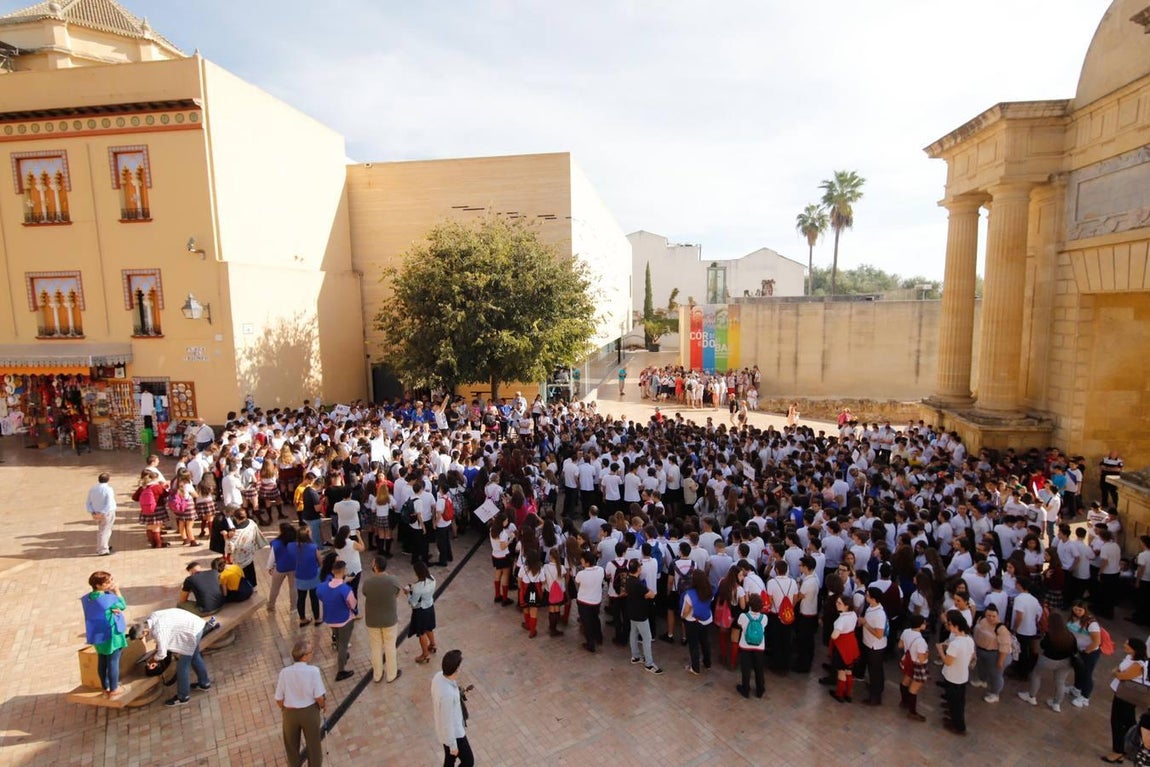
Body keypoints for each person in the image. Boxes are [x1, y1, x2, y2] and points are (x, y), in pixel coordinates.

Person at [129, 608, 212, 706]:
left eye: (141, 638)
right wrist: (157, 650)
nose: (142, 639)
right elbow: (162, 641)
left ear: (145, 631)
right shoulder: (152, 617)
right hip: (195, 624)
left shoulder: (159, 631)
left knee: (182, 667)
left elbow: (162, 654)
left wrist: (153, 660)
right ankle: (204, 683)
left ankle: (183, 697)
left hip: (193, 632)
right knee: (194, 656)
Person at [275, 638, 326, 767]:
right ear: (304, 656)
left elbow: (279, 698)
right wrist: (323, 706)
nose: (312, 653)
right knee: (314, 746)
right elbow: (319, 697)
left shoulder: (284, 673)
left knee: (291, 747)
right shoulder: (313, 671)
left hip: (289, 713)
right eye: (311, 651)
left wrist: (285, 710)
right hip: (309, 712)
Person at [1017, 611, 1077, 712]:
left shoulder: (1050, 634)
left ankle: (1031, 697)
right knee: (1060, 682)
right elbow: (1074, 649)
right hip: (1065, 662)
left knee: (1036, 675)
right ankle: (1056, 704)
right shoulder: (1070, 635)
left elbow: (1043, 645)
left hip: (1048, 660)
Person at [1102, 638, 1149, 763]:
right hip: (1123, 694)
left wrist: (1116, 673)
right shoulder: (1130, 657)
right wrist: (1117, 672)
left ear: (1134, 649)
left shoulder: (1138, 664)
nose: (1124, 645)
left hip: (1126, 697)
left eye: (1127, 644)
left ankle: (1118, 751)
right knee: (1128, 722)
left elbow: (1124, 676)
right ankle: (1126, 749)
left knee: (1117, 722)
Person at [81, 571, 127, 698]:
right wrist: (117, 591)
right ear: (98, 585)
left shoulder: (88, 598)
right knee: (113, 661)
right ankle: (114, 688)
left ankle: (105, 687)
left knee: (102, 660)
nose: (111, 583)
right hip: (111, 634)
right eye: (107, 582)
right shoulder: (107, 599)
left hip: (97, 634)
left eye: (111, 580)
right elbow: (123, 605)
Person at [362, 554, 403, 684]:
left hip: (372, 620)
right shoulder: (393, 580)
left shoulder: (368, 583)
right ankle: (391, 675)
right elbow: (397, 593)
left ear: (375, 567)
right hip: (389, 620)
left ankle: (377, 675)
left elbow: (365, 593)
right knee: (390, 647)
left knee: (375, 648)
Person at [317, 559, 357, 681]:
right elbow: (353, 604)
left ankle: (342, 655)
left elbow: (321, 596)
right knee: (343, 644)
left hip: (330, 618)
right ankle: (341, 670)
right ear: (343, 571)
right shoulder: (345, 589)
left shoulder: (322, 587)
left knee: (338, 639)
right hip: (344, 620)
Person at [431, 649, 474, 767]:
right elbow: (447, 722)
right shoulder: (448, 695)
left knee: (450, 759)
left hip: (445, 733)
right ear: (455, 670)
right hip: (454, 734)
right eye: (459, 667)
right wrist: (453, 745)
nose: (460, 669)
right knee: (468, 761)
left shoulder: (438, 676)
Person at [937, 609, 974, 735]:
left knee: (954, 703)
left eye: (950, 624)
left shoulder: (956, 644)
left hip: (953, 677)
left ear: (956, 626)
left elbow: (948, 662)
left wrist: (940, 650)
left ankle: (958, 726)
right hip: (962, 676)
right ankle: (955, 720)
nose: (948, 626)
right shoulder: (969, 639)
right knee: (959, 701)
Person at [970, 604, 1012, 703]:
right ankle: (982, 680)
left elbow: (1004, 647)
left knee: (995, 675)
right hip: (981, 651)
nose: (991, 618)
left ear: (997, 616)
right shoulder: (982, 620)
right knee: (981, 667)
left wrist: (1000, 661)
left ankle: (995, 693)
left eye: (994, 616)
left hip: (994, 654)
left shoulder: (1001, 628)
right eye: (989, 615)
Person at [1067, 600, 1102, 709]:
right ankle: (1076, 689)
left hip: (1089, 652)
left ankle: (1085, 697)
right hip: (1078, 650)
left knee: (1087, 674)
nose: (1077, 611)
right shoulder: (1073, 618)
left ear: (1085, 610)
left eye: (1080, 610)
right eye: (1075, 609)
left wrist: (1086, 651)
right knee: (1078, 670)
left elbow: (1096, 641)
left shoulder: (1091, 623)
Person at [680, 568, 713, 675]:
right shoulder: (709, 591)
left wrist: (682, 616)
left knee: (694, 645)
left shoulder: (689, 594)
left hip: (692, 621)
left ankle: (695, 668)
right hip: (706, 620)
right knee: (705, 642)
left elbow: (686, 610)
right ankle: (707, 663)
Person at [897, 613, 930, 721]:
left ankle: (904, 701)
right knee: (914, 689)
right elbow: (922, 658)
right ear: (920, 625)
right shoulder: (920, 641)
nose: (925, 624)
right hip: (918, 665)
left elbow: (900, 645)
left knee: (905, 681)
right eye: (924, 623)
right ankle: (912, 712)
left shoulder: (906, 632)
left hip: (908, 662)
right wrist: (927, 654)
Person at [736, 593, 768, 699]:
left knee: (746, 669)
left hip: (745, 646)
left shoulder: (743, 616)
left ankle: (745, 689)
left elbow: (739, 624)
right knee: (759, 668)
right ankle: (760, 690)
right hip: (759, 647)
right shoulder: (764, 618)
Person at [226, 508, 268, 587]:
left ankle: (245, 588)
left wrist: (226, 536)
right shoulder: (251, 523)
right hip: (249, 552)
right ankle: (254, 586)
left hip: (239, 557)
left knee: (241, 574)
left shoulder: (236, 533)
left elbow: (230, 548)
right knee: (251, 570)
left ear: (236, 518)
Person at [575, 551, 605, 653]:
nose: (581, 561)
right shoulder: (600, 570)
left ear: (587, 563)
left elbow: (578, 582)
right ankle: (599, 637)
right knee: (595, 619)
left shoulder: (581, 574)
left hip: (584, 601)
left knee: (587, 623)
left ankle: (590, 644)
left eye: (582, 560)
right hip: (596, 600)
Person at [410, 560, 438, 664]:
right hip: (430, 606)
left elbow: (413, 603)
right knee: (429, 627)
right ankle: (433, 644)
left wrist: (408, 593)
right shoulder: (432, 579)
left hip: (421, 610)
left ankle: (425, 654)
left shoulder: (417, 587)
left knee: (421, 632)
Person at [294, 526, 322, 627]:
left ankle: (302, 619)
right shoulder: (313, 547)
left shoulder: (294, 547)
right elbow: (320, 561)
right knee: (314, 597)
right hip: (313, 575)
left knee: (301, 598)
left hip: (300, 576)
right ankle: (317, 619)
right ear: (306, 534)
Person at [267, 523, 298, 613]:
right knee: (293, 588)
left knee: (275, 588)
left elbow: (272, 557)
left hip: (280, 568)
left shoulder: (276, 543)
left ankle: (271, 606)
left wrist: (269, 567)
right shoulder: (297, 541)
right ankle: (293, 608)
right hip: (294, 567)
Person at [86, 473, 117, 557]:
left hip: (96, 512)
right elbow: (109, 502)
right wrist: (103, 512)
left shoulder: (93, 489)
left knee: (102, 529)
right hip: (107, 512)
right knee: (105, 530)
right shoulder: (108, 489)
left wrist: (92, 511)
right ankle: (103, 549)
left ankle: (104, 545)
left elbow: (89, 501)